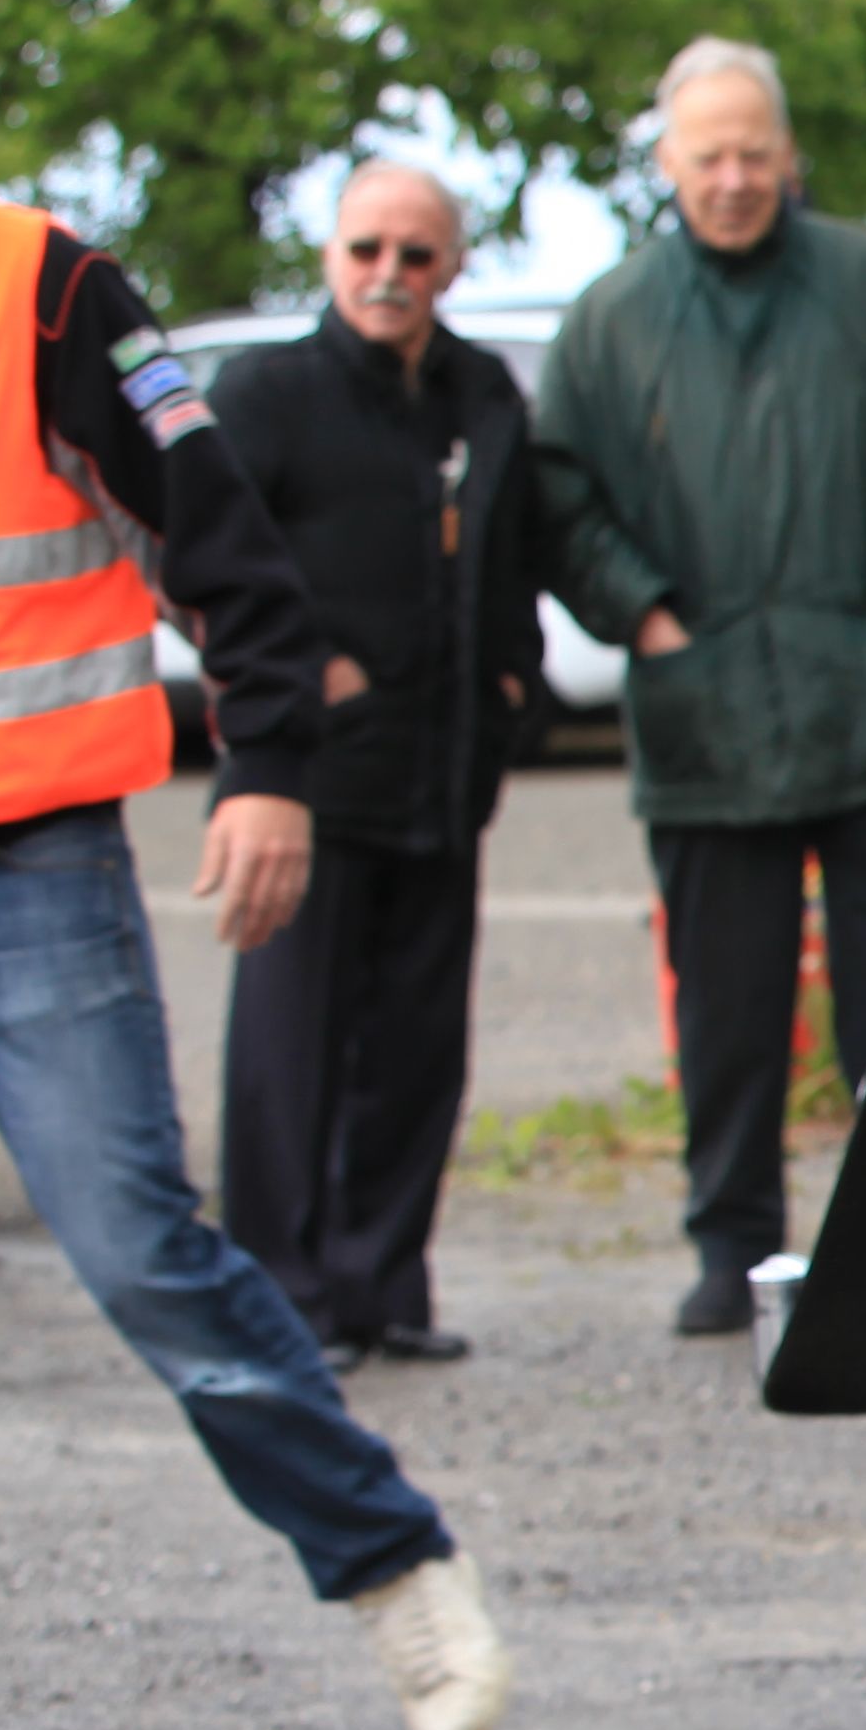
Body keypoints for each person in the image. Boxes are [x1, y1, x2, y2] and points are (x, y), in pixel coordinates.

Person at [0, 0, 509, 1730]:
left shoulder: (40, 279)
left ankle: (395, 1565)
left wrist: (268, 773)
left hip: (26, 866)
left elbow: (221, 539)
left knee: (145, 1253)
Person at [532, 37, 866, 1337]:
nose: (731, 178)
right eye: (706, 156)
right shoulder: (613, 318)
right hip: (706, 726)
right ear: (667, 164)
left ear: (787, 158)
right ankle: (729, 1246)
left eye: (752, 153)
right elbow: (559, 494)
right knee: (728, 1016)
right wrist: (651, 619)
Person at [214, 162, 534, 1365]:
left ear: (451, 265)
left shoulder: (482, 393)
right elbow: (203, 558)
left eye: (415, 254)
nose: (389, 275)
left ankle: (382, 1285)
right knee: (288, 1058)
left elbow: (517, 551)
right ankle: (283, 1301)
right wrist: (303, 679)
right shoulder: (271, 393)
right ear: (329, 258)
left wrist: (511, 682)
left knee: (417, 1051)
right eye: (366, 251)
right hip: (315, 784)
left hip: (446, 779)